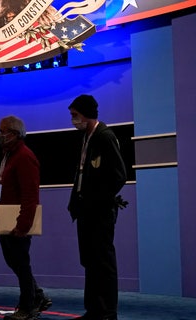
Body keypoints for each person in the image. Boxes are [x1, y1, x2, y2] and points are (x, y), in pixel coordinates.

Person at [67, 95, 126, 320]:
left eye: (75, 115)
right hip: (85, 211)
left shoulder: (104, 137)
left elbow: (119, 176)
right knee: (90, 262)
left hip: (99, 212)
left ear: (87, 114)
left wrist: (98, 200)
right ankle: (94, 310)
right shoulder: (86, 137)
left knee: (103, 263)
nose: (73, 120)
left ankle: (107, 313)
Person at [0, 115, 52, 320]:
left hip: (18, 221)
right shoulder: (9, 155)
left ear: (15, 134)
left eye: (3, 131)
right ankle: (37, 296)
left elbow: (30, 195)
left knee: (21, 262)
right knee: (14, 260)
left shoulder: (24, 157)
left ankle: (27, 307)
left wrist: (23, 225)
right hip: (7, 218)